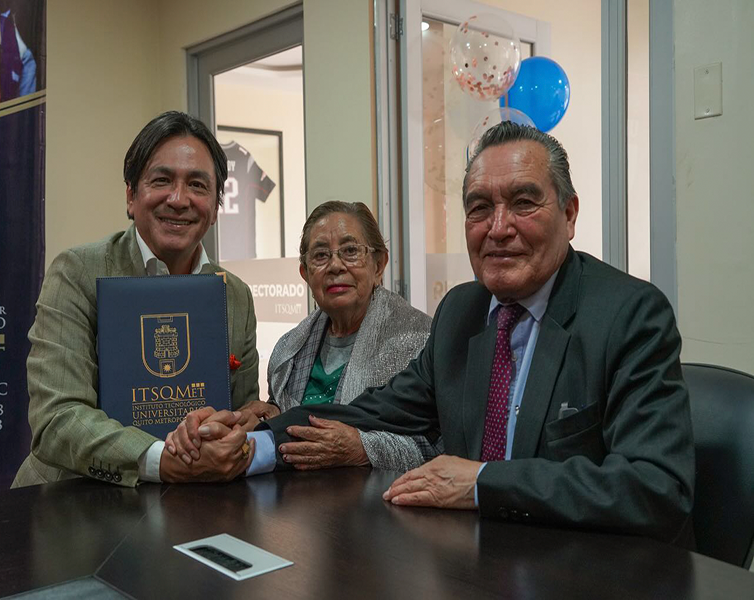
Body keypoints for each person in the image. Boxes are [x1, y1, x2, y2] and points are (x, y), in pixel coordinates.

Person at [176, 122, 695, 545]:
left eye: (523, 203)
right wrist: (251, 444)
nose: (498, 228)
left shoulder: (630, 314)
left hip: (589, 570)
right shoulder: (462, 312)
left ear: (570, 212)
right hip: (471, 561)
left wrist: (484, 482)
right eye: (478, 209)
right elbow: (370, 410)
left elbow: (655, 488)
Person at [12, 111, 258, 488]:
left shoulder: (235, 295)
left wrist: (234, 433)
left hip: (195, 506)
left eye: (197, 185)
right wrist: (164, 462)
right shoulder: (76, 272)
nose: (179, 200)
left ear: (215, 207)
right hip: (72, 504)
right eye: (162, 180)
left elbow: (242, 412)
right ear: (131, 196)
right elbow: (57, 420)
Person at [168, 201, 435, 471]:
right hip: (291, 503)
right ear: (305, 274)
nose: (335, 266)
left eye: (351, 251)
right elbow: (292, 425)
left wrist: (361, 448)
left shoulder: (420, 341)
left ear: (379, 264)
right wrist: (272, 415)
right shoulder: (288, 350)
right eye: (320, 256)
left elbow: (439, 447)